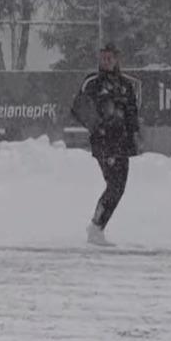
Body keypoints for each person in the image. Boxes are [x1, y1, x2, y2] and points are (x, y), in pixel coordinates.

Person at [70, 43, 140, 246]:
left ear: (117, 60)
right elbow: (79, 107)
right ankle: (96, 227)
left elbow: (132, 112)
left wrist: (134, 134)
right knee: (114, 184)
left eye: (110, 58)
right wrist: (98, 126)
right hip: (103, 142)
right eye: (103, 58)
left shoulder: (125, 85)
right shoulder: (92, 82)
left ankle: (98, 226)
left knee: (119, 187)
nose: (106, 61)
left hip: (122, 142)